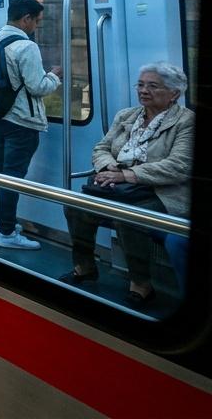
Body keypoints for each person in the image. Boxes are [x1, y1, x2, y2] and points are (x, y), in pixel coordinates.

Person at [60, 62, 193, 308]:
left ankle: (141, 285)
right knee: (75, 206)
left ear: (174, 93)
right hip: (118, 185)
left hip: (160, 192)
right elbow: (101, 148)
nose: (143, 91)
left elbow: (179, 165)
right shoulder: (127, 116)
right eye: (141, 85)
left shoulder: (185, 122)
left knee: (128, 216)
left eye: (153, 86)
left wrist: (127, 175)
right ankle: (85, 267)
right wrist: (108, 168)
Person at [0, 0, 63, 250]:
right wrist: (54, 75)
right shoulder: (25, 46)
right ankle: (6, 233)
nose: (36, 27)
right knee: (13, 177)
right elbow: (37, 86)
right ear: (26, 18)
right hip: (21, 121)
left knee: (0, 171)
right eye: (36, 22)